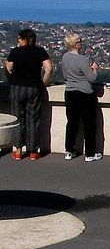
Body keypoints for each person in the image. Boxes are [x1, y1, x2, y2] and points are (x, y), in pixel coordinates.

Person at [5, 28, 53, 161]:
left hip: (17, 87)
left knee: (17, 118)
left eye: (19, 39)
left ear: (25, 39)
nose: (18, 41)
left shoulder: (15, 52)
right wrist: (42, 83)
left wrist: (12, 81)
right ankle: (33, 151)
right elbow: (49, 68)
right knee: (33, 118)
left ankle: (18, 150)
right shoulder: (40, 52)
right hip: (33, 87)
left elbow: (8, 68)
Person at [61, 33, 102, 162]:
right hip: (85, 93)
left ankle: (69, 150)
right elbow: (92, 78)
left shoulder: (65, 57)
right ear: (74, 44)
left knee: (72, 122)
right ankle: (90, 153)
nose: (81, 43)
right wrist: (94, 69)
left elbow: (65, 76)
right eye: (79, 41)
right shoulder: (82, 59)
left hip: (70, 92)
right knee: (89, 123)